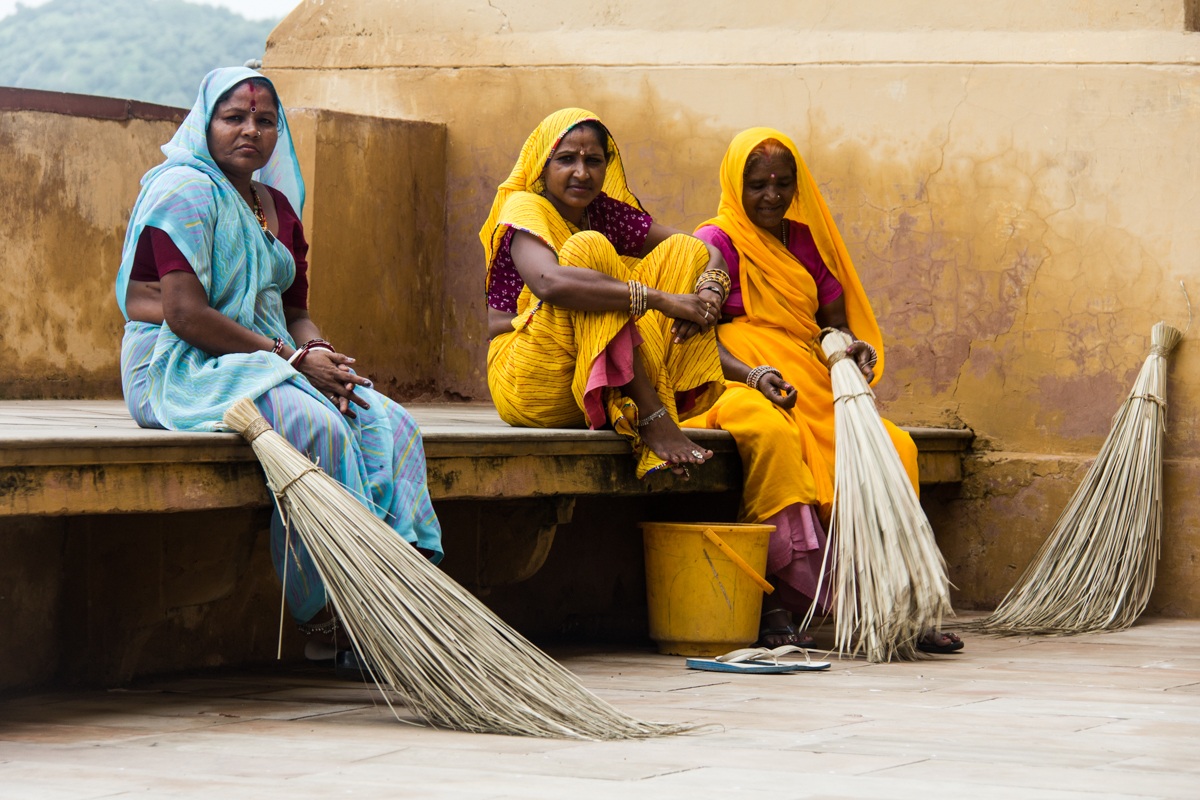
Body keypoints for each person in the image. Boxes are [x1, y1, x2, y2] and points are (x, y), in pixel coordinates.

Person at [114, 67, 443, 659]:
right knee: (316, 428)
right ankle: (325, 612)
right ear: (205, 122)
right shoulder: (184, 191)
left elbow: (295, 313)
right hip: (178, 362)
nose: (250, 131)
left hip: (267, 356)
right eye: (233, 117)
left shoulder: (278, 207)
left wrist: (316, 352)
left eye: (265, 120)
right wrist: (292, 360)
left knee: (388, 420)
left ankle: (400, 584)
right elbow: (185, 316)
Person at [683, 128, 963, 654]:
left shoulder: (805, 241)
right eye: (758, 185)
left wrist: (852, 352)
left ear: (797, 186)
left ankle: (899, 605)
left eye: (782, 184)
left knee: (896, 446)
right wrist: (752, 375)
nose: (771, 196)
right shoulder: (713, 241)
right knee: (775, 439)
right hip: (730, 376)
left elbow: (833, 325)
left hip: (810, 379)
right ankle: (774, 603)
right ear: (733, 185)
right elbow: (695, 332)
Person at [480, 108, 730, 478]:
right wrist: (663, 299)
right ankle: (652, 414)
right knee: (589, 252)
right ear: (542, 167)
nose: (582, 172)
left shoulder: (604, 213)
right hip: (528, 380)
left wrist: (710, 293)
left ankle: (638, 403)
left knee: (683, 252)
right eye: (566, 159)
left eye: (593, 161)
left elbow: (705, 250)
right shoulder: (526, 207)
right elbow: (550, 282)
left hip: (584, 382)